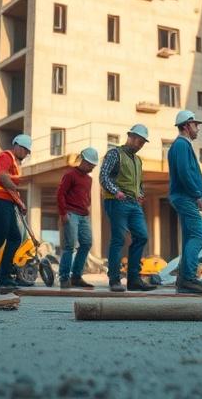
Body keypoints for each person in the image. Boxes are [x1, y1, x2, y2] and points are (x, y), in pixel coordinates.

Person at [100, 124, 155, 292]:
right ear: (130, 137)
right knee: (119, 239)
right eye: (139, 141)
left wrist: (140, 193)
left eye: (143, 143)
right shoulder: (114, 154)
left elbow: (138, 183)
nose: (140, 145)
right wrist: (116, 192)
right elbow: (103, 176)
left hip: (133, 204)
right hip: (117, 202)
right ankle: (114, 280)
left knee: (142, 236)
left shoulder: (138, 160)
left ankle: (134, 280)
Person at [0, 133, 33, 292]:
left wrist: (20, 203)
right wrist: (16, 190)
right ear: (16, 145)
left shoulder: (15, 164)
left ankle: (4, 276)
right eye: (24, 150)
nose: (25, 153)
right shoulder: (6, 156)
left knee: (15, 238)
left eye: (27, 151)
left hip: (6, 202)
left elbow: (9, 189)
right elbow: (3, 178)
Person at [167, 109, 202, 294]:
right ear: (186, 126)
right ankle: (189, 278)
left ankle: (183, 280)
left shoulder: (182, 146)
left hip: (186, 197)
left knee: (189, 237)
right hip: (186, 197)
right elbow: (185, 173)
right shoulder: (181, 146)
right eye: (195, 125)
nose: (198, 129)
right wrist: (197, 194)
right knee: (199, 235)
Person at [57, 147, 98, 289]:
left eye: (94, 166)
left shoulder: (89, 179)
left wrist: (88, 208)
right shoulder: (70, 175)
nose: (92, 168)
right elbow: (60, 194)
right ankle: (64, 277)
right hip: (71, 213)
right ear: (83, 161)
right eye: (90, 165)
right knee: (69, 246)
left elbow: (88, 197)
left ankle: (76, 277)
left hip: (83, 216)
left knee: (86, 243)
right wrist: (63, 213)